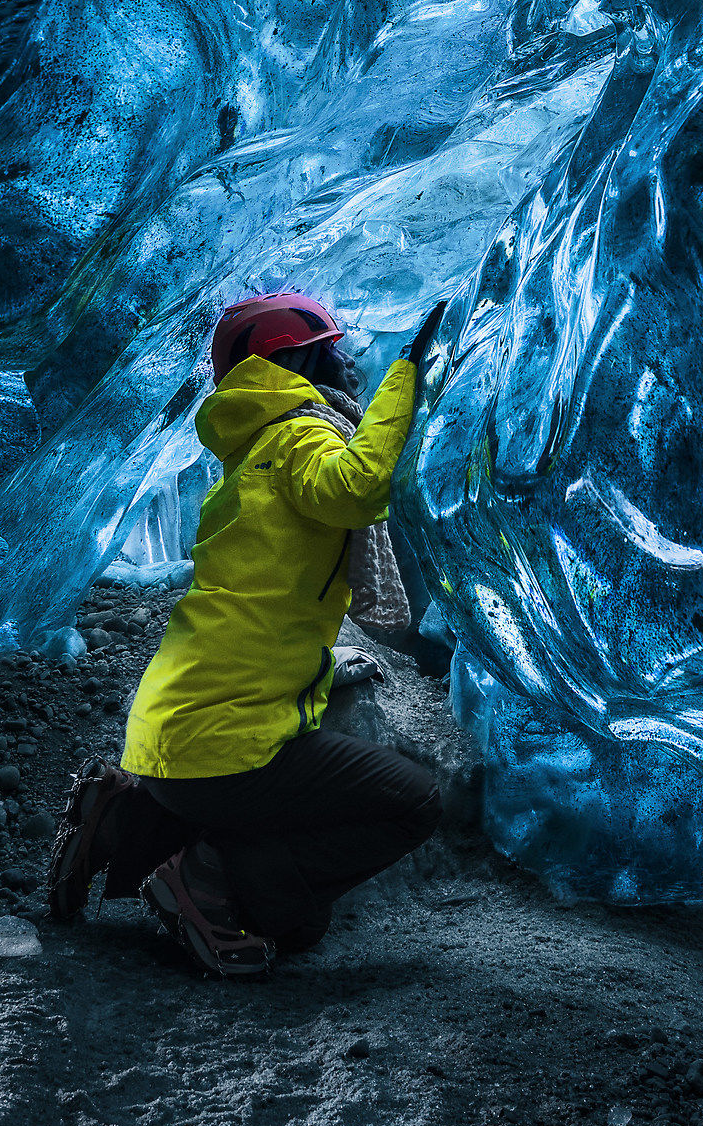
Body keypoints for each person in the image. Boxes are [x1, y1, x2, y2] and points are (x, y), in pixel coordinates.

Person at [46, 288, 449, 975]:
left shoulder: (255, 446)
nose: (352, 367)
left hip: (173, 733)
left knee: (284, 840)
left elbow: (264, 600)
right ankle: (206, 882)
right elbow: (355, 487)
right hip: (221, 747)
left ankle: (124, 819)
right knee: (410, 808)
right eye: (336, 352)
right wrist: (405, 374)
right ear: (292, 359)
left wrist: (326, 665)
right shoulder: (299, 431)